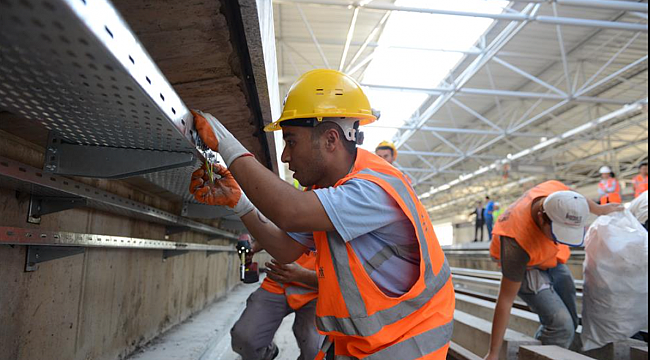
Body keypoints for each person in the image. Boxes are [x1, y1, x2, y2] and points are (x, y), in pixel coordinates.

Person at [188, 69, 455, 360]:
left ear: (330, 140)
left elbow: (289, 212)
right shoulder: (331, 189)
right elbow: (286, 247)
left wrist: (225, 143)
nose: (284, 156)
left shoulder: (371, 191)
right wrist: (239, 203)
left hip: (404, 349)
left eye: (291, 141)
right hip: (364, 345)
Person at [483, 181, 622, 360]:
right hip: (526, 264)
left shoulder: (557, 193)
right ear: (542, 217)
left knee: (571, 317)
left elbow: (576, 198)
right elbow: (505, 301)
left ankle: (564, 351)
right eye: (558, 233)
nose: (562, 240)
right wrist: (493, 353)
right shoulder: (515, 242)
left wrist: (599, 209)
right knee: (561, 325)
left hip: (548, 257)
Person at [230, 235, 321, 360]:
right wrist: (255, 246)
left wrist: (302, 275)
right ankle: (267, 354)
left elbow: (344, 276)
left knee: (316, 351)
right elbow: (281, 227)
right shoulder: (293, 217)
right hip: (278, 282)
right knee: (245, 339)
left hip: (317, 290)